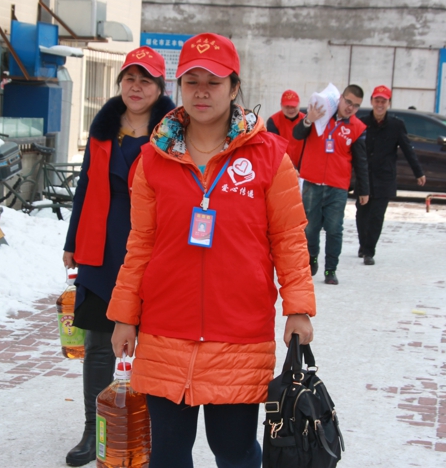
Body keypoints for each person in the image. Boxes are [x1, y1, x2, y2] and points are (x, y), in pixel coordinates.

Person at [107, 33, 315, 468]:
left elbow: (289, 239)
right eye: (192, 81)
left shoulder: (269, 157)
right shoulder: (152, 160)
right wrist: (125, 315)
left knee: (235, 452)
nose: (202, 91)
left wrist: (297, 308)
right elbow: (140, 244)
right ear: (179, 87)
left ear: (235, 87)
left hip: (238, 334)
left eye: (214, 82)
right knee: (168, 455)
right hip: (165, 331)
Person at [61, 46, 175, 467]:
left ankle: (150, 433)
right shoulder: (104, 128)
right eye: (130, 78)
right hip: (102, 247)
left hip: (155, 247)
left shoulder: (173, 132)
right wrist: (72, 242)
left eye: (145, 80)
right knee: (98, 346)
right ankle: (95, 431)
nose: (136, 87)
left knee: (153, 346)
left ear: (160, 87)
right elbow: (85, 186)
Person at [293, 85, 369, 285]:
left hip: (337, 186)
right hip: (312, 182)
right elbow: (297, 134)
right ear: (340, 98)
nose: (350, 108)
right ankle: (312, 257)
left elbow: (361, 161)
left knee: (334, 229)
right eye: (348, 102)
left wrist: (364, 189)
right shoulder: (321, 114)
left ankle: (331, 269)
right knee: (310, 228)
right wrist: (308, 119)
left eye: (356, 106)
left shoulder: (357, 128)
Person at [356, 85, 425, 265]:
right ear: (371, 101)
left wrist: (418, 172)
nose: (380, 104)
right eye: (377, 101)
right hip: (364, 177)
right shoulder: (361, 123)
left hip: (385, 178)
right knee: (362, 214)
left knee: (377, 216)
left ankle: (369, 251)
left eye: (383, 101)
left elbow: (407, 149)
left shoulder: (396, 125)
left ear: (388, 103)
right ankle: (363, 244)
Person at [266, 89, 306, 169]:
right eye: (287, 106)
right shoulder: (273, 121)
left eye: (293, 106)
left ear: (299, 105)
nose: (291, 110)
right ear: (281, 105)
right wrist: (290, 168)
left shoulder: (306, 120)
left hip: (304, 166)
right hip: (283, 166)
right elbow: (276, 148)